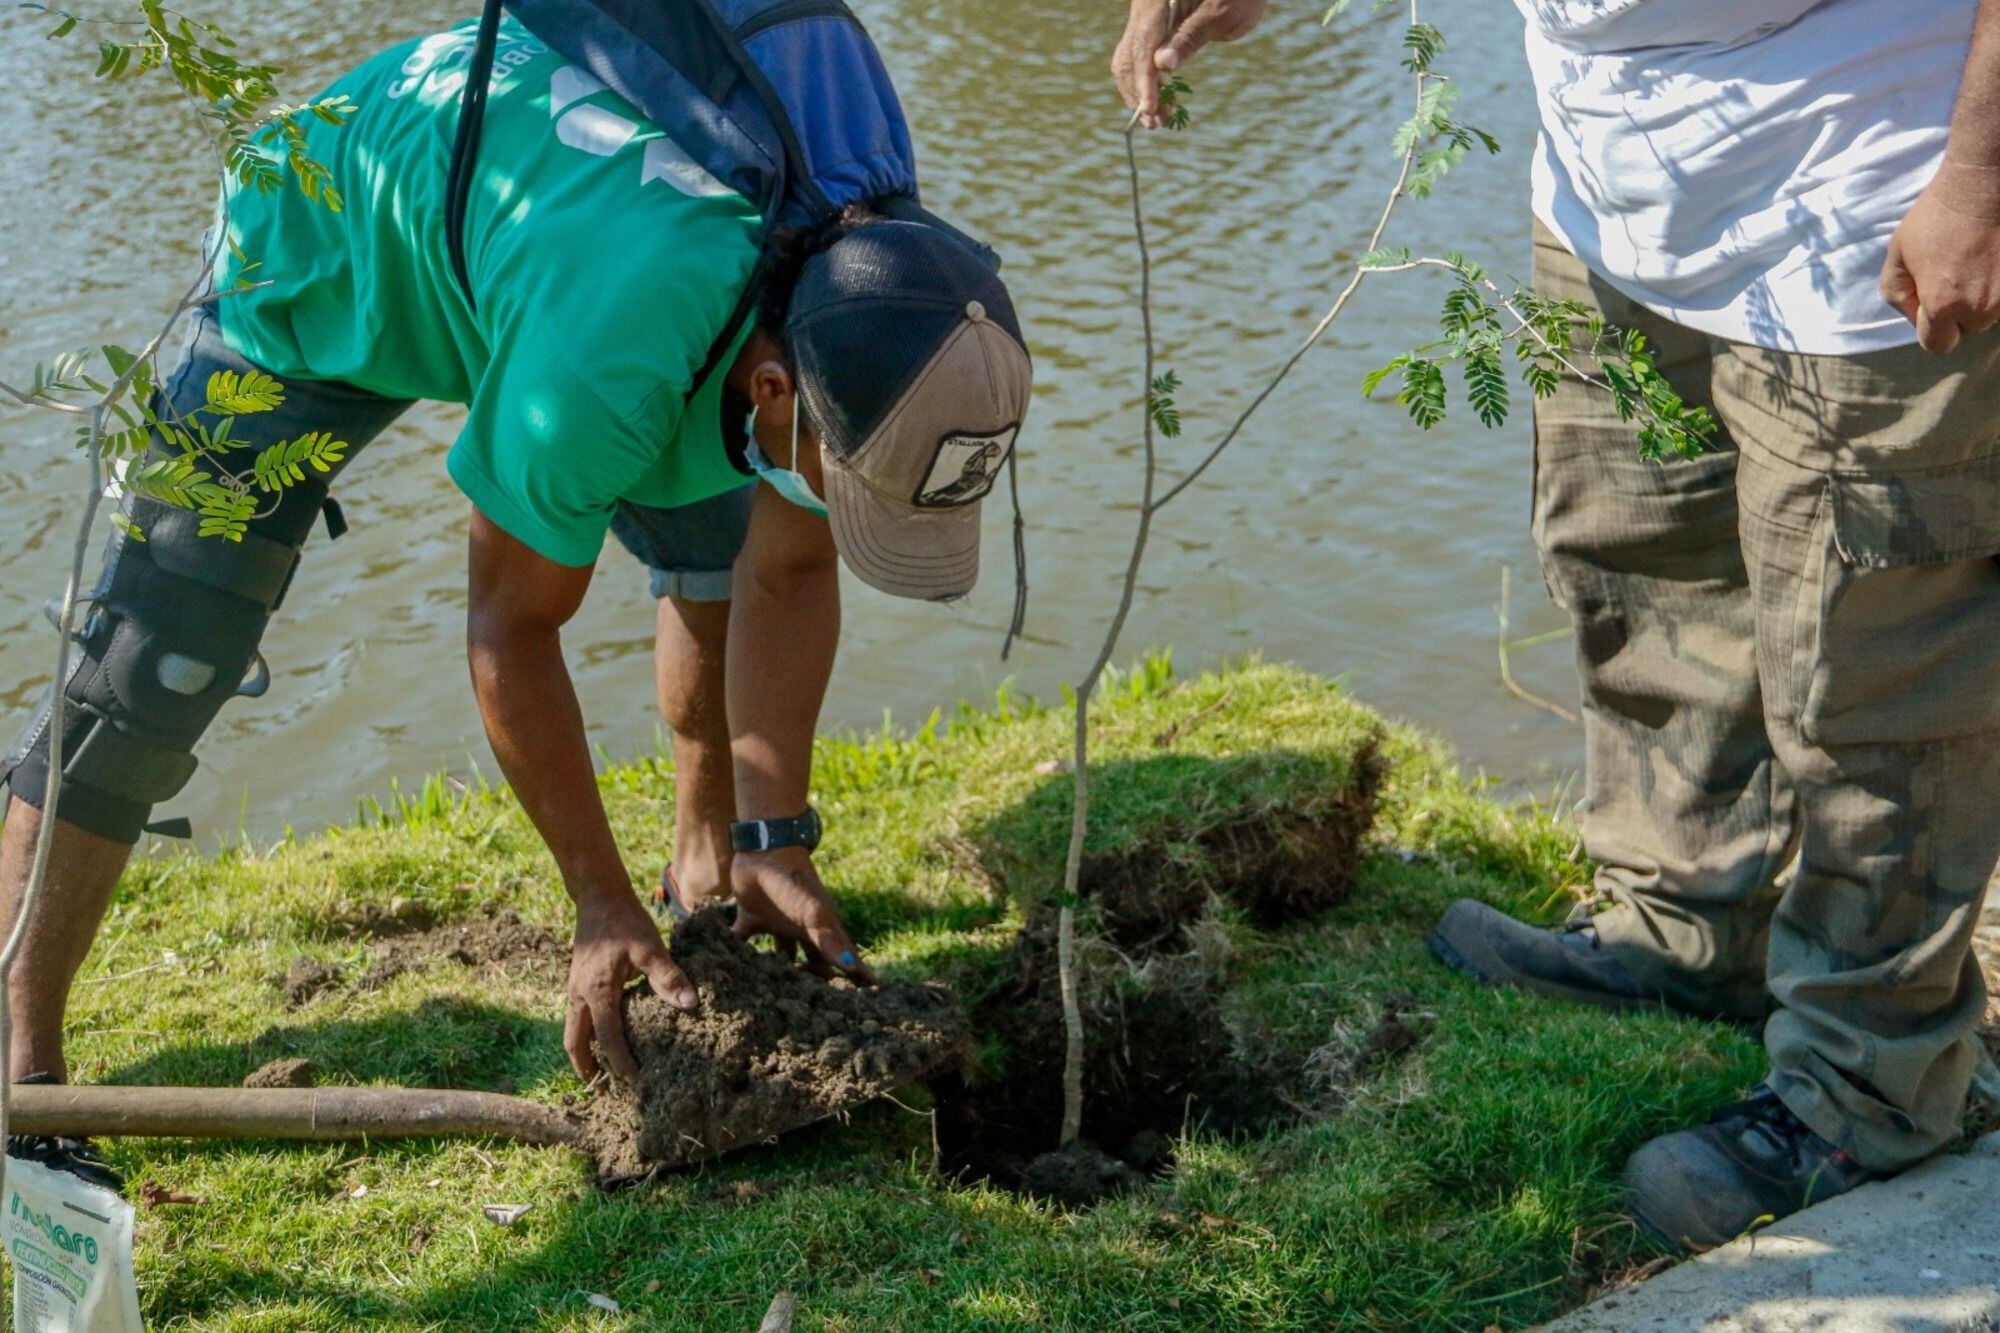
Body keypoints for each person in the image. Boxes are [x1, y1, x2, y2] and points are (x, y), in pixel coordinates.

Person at [0, 13, 1032, 1172]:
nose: (845, 516)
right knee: (152, 664)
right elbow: (512, 625)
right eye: (853, 493)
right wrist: (591, 900)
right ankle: (22, 1061)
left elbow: (787, 566)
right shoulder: (610, 354)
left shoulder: (875, 288)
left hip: (591, 268)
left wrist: (774, 832)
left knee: (724, 518)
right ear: (780, 381)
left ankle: (711, 865)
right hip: (317, 248)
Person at [1111, 0, 2000, 1250]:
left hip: (1867, 198)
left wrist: (1978, 174)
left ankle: (1875, 1085)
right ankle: (1682, 925)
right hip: (1609, 198)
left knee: (1866, 684)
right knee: (1638, 569)